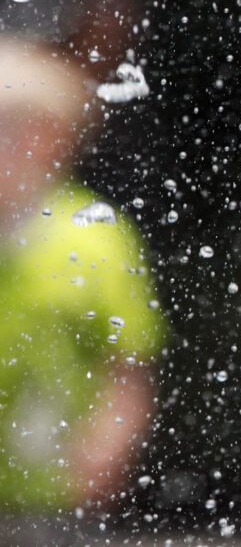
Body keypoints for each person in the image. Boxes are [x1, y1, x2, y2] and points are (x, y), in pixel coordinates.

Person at [0, 39, 166, 541]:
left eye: (12, 130)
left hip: (53, 492)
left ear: (54, 140)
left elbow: (129, 365)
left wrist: (105, 448)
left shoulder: (95, 235)